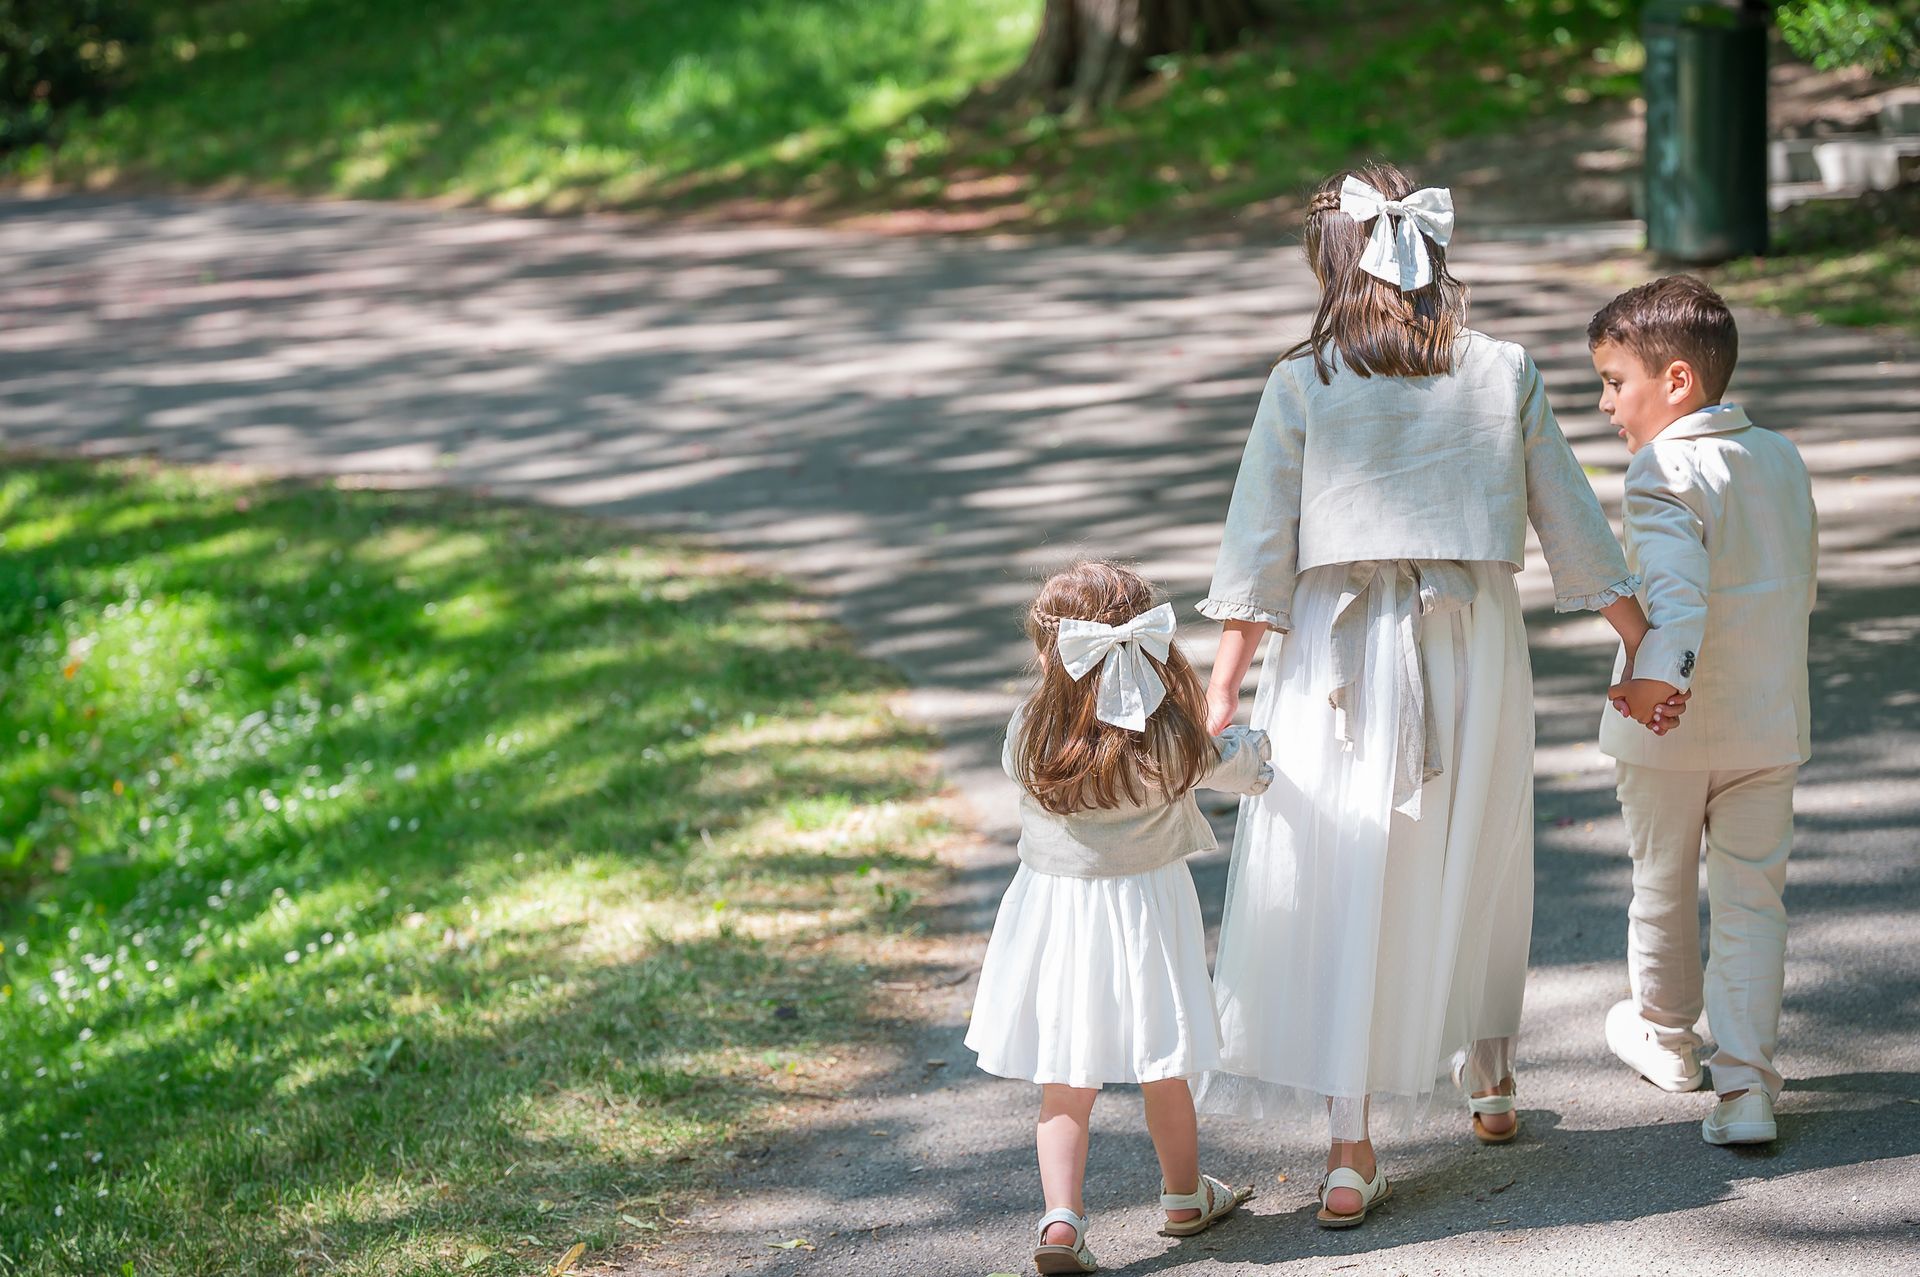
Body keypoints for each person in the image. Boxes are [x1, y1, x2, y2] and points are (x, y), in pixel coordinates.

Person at [1195, 163, 1663, 1228]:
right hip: (1472, 636)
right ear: (1432, 257)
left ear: (1331, 266)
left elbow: (1256, 544)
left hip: (1336, 656)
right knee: (1478, 849)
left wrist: (1223, 687)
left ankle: (1352, 1150)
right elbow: (1570, 518)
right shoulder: (1502, 369)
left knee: (1347, 872)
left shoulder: (1302, 381)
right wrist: (1636, 640)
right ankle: (1489, 1074)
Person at [965, 559, 1265, 1274]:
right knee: (1166, 1063)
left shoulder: (1031, 733)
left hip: (1058, 914)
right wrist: (1255, 751)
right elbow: (1240, 765)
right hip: (1147, 912)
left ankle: (1062, 1221)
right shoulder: (1170, 741)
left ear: (1051, 651)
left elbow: (1019, 767)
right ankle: (1186, 1194)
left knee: (1065, 1079)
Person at [1590, 275, 1818, 1146]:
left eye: (1616, 381)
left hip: (1669, 728)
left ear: (1676, 381)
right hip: (1767, 721)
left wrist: (1659, 679)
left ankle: (1668, 1035)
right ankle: (1748, 1088)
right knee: (1753, 899)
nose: (1608, 403)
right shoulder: (1783, 456)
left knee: (1662, 882)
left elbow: (1677, 600)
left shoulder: (1662, 468)